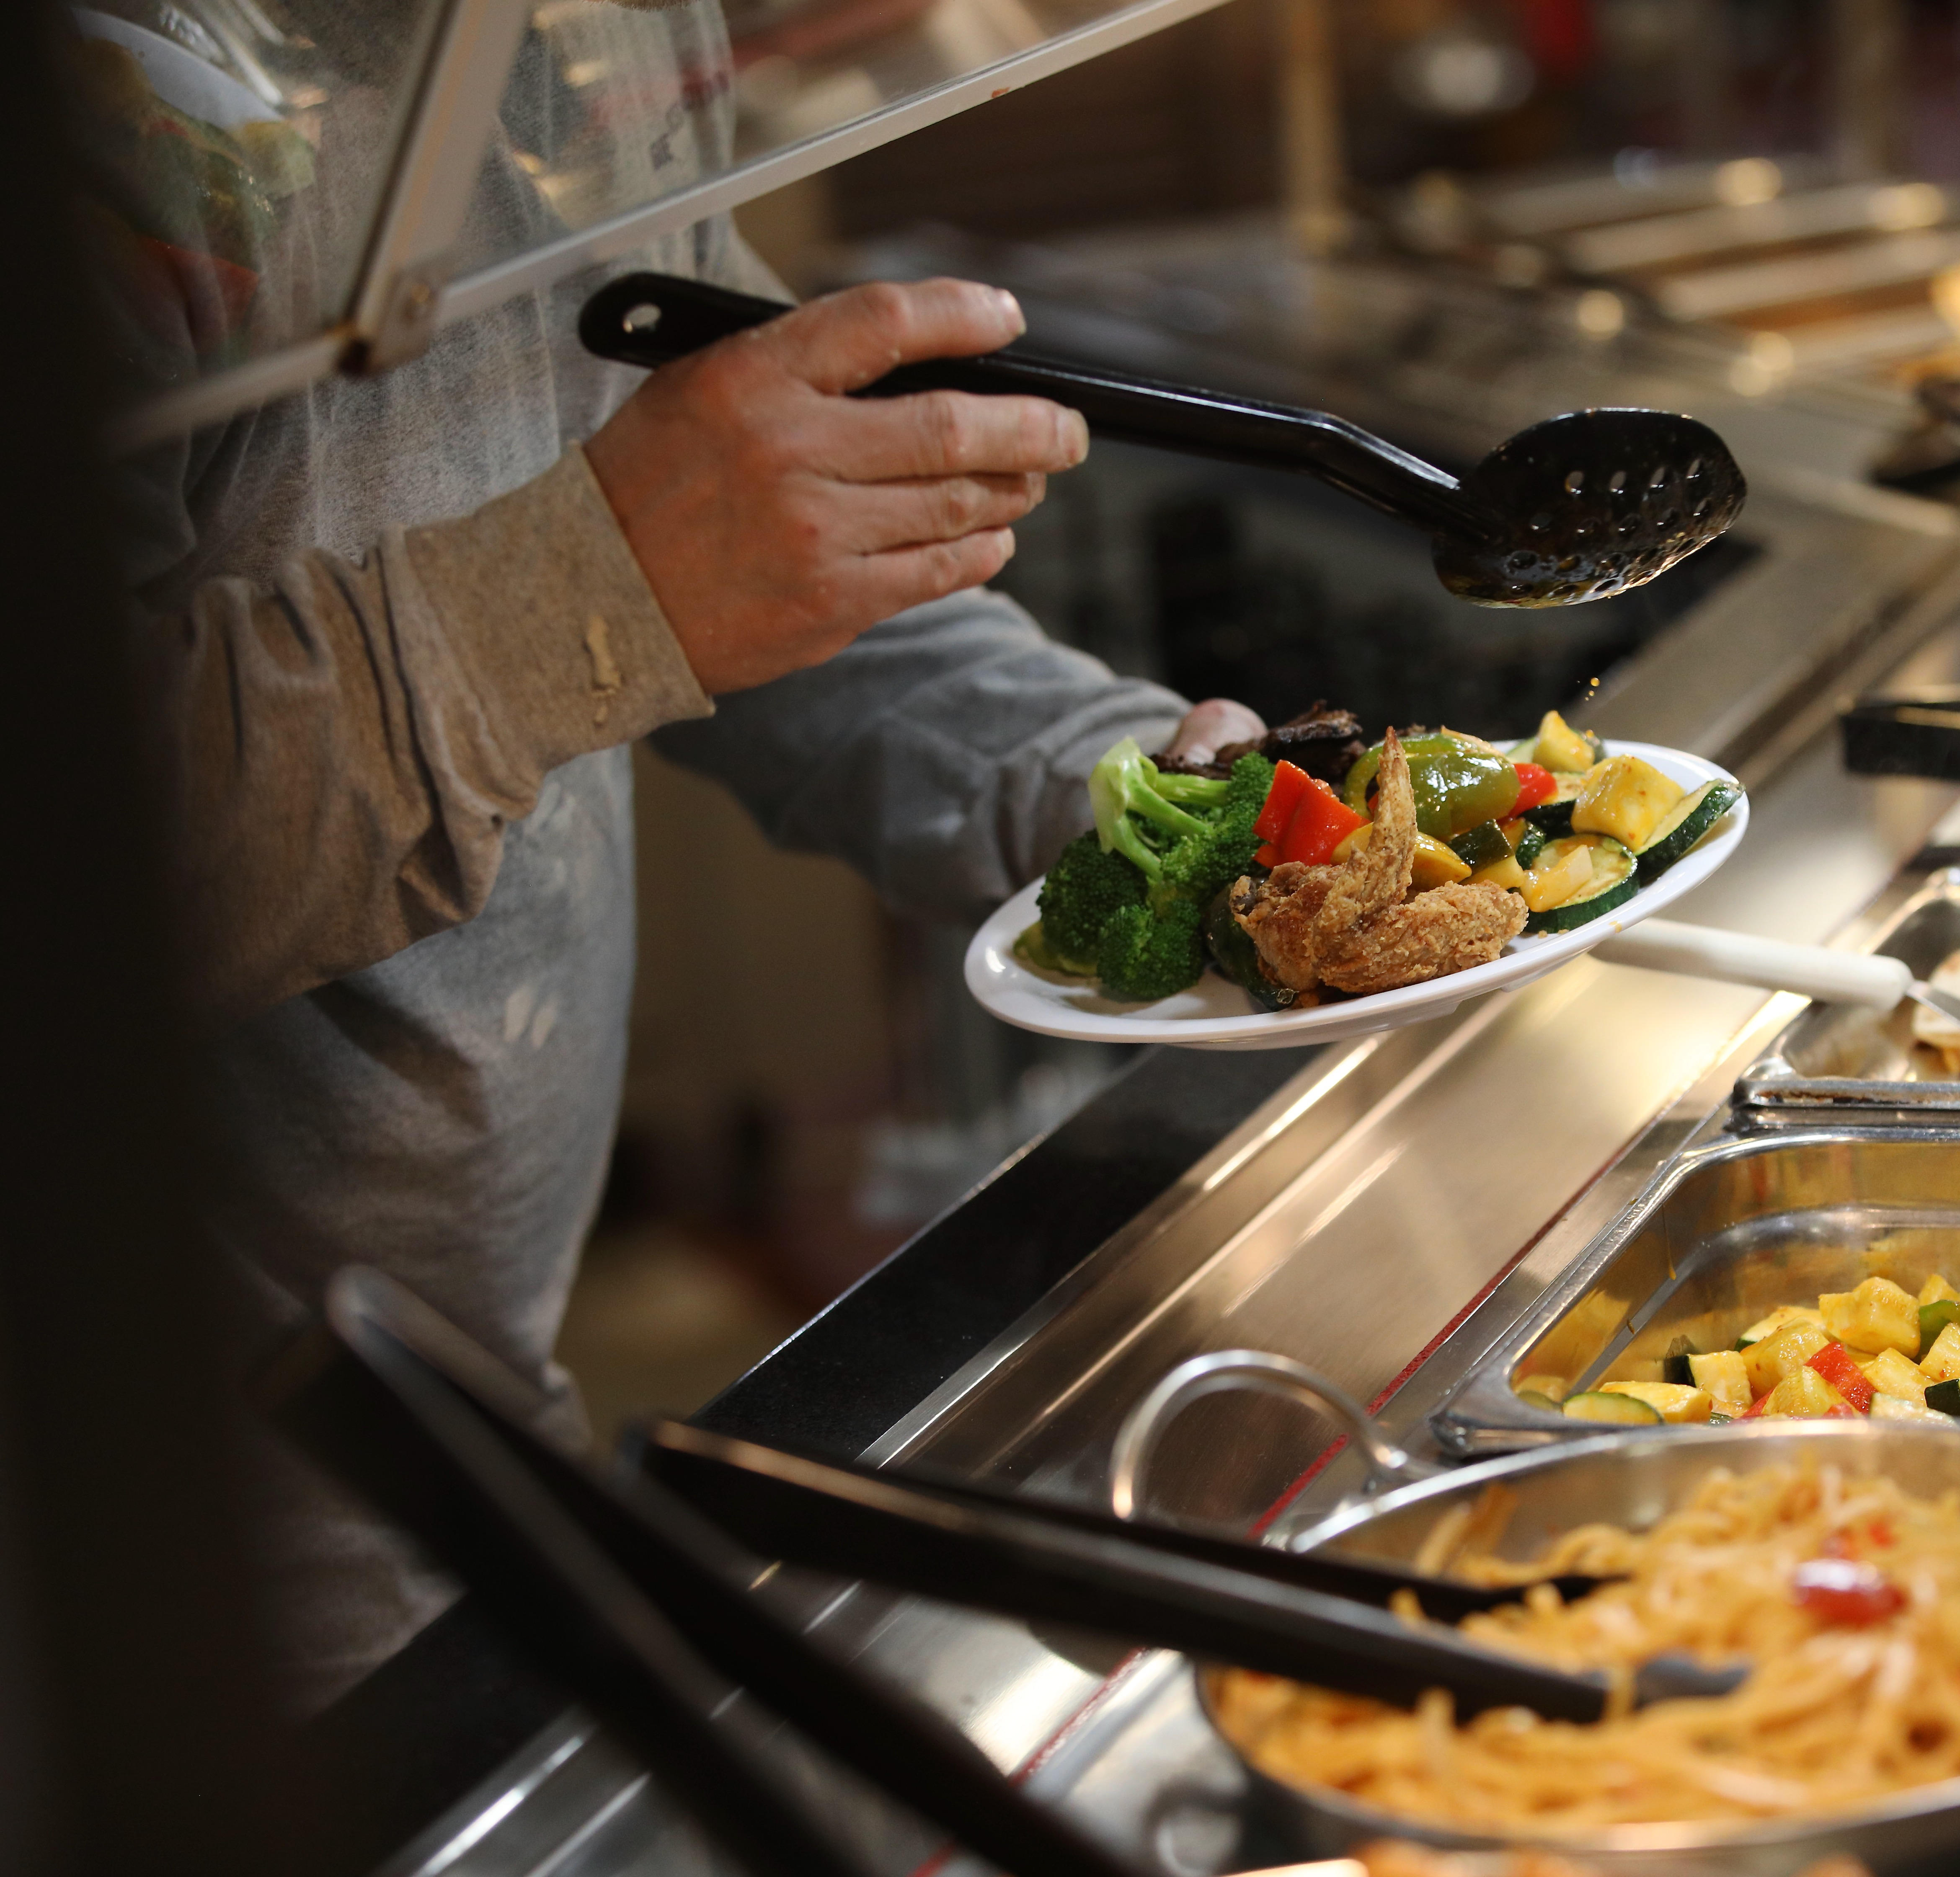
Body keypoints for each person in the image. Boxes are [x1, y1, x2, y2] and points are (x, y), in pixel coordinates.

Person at [79, 0, 1254, 1707]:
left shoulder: (552, 39)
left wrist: (1113, 791)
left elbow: (728, 559)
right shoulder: (115, 105)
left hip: (464, 1409)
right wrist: (585, 592)